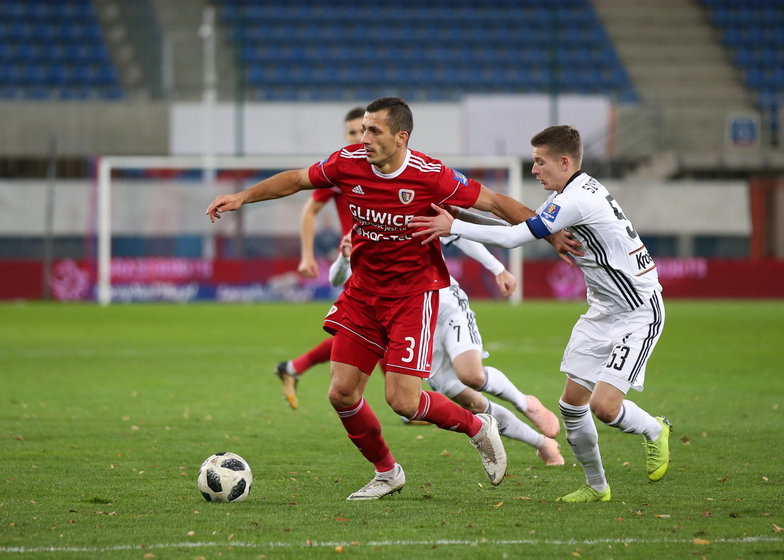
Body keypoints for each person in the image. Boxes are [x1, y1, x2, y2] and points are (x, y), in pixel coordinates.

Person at [206, 97, 581, 501]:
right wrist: (243, 196)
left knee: (403, 401)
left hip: (412, 297)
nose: (363, 138)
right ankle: (387, 472)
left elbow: (494, 203)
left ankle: (478, 427)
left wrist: (549, 229)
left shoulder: (430, 175)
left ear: (401, 137)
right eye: (363, 129)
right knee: (341, 393)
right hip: (363, 293)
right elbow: (297, 179)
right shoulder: (347, 162)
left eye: (373, 131)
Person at [410, 124, 671, 503]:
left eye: (539, 161)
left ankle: (654, 430)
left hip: (638, 311)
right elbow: (517, 223)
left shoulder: (576, 199)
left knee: (604, 407)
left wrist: (455, 225)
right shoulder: (573, 192)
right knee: (571, 406)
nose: (534, 170)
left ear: (564, 162)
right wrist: (466, 219)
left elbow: (515, 237)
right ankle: (596, 487)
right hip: (601, 310)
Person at [329, 231, 565, 466]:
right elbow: (336, 279)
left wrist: (497, 268)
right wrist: (344, 256)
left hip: (445, 306)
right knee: (474, 405)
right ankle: (542, 443)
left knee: (471, 374)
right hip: (413, 324)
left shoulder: (408, 210)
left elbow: (460, 233)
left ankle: (525, 402)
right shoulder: (365, 226)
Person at [275, 107, 365, 410]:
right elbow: (309, 210)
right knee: (369, 333)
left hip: (382, 259)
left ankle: (294, 367)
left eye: (362, 131)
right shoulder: (341, 169)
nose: (357, 138)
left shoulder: (386, 167)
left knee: (365, 334)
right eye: (351, 133)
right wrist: (306, 255)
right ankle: (407, 404)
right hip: (356, 261)